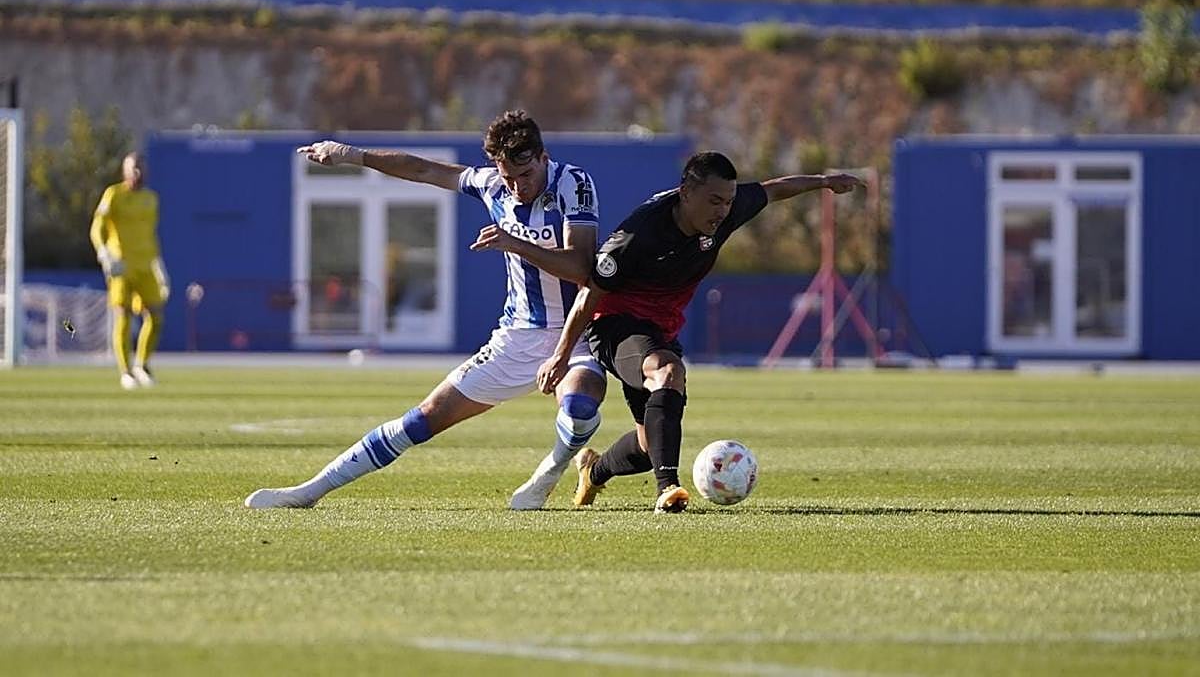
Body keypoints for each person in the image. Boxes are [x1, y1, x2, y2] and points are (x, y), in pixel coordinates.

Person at [245, 110, 608, 511]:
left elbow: (580, 266)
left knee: (579, 408)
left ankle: (549, 473)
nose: (517, 188)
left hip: (577, 331)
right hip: (517, 335)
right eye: (508, 177)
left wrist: (517, 243)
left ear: (543, 157)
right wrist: (350, 154)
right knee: (422, 419)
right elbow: (421, 169)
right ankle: (308, 492)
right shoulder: (491, 186)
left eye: (525, 177)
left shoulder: (572, 182)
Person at [533, 151, 862, 514]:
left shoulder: (725, 213)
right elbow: (588, 296)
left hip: (660, 329)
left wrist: (825, 182)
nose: (722, 210)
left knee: (648, 445)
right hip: (615, 323)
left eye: (728, 202)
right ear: (686, 192)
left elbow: (773, 190)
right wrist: (560, 357)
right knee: (667, 371)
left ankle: (594, 470)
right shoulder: (637, 234)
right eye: (714, 201)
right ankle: (668, 488)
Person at [90, 152, 170, 390]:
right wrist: (104, 253)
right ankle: (125, 371)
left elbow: (150, 235)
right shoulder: (113, 195)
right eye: (133, 168)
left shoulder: (151, 199)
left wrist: (159, 266)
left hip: (146, 265)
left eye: (140, 168)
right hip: (121, 266)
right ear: (124, 171)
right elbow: (97, 227)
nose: (137, 172)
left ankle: (142, 364)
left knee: (155, 315)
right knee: (122, 315)